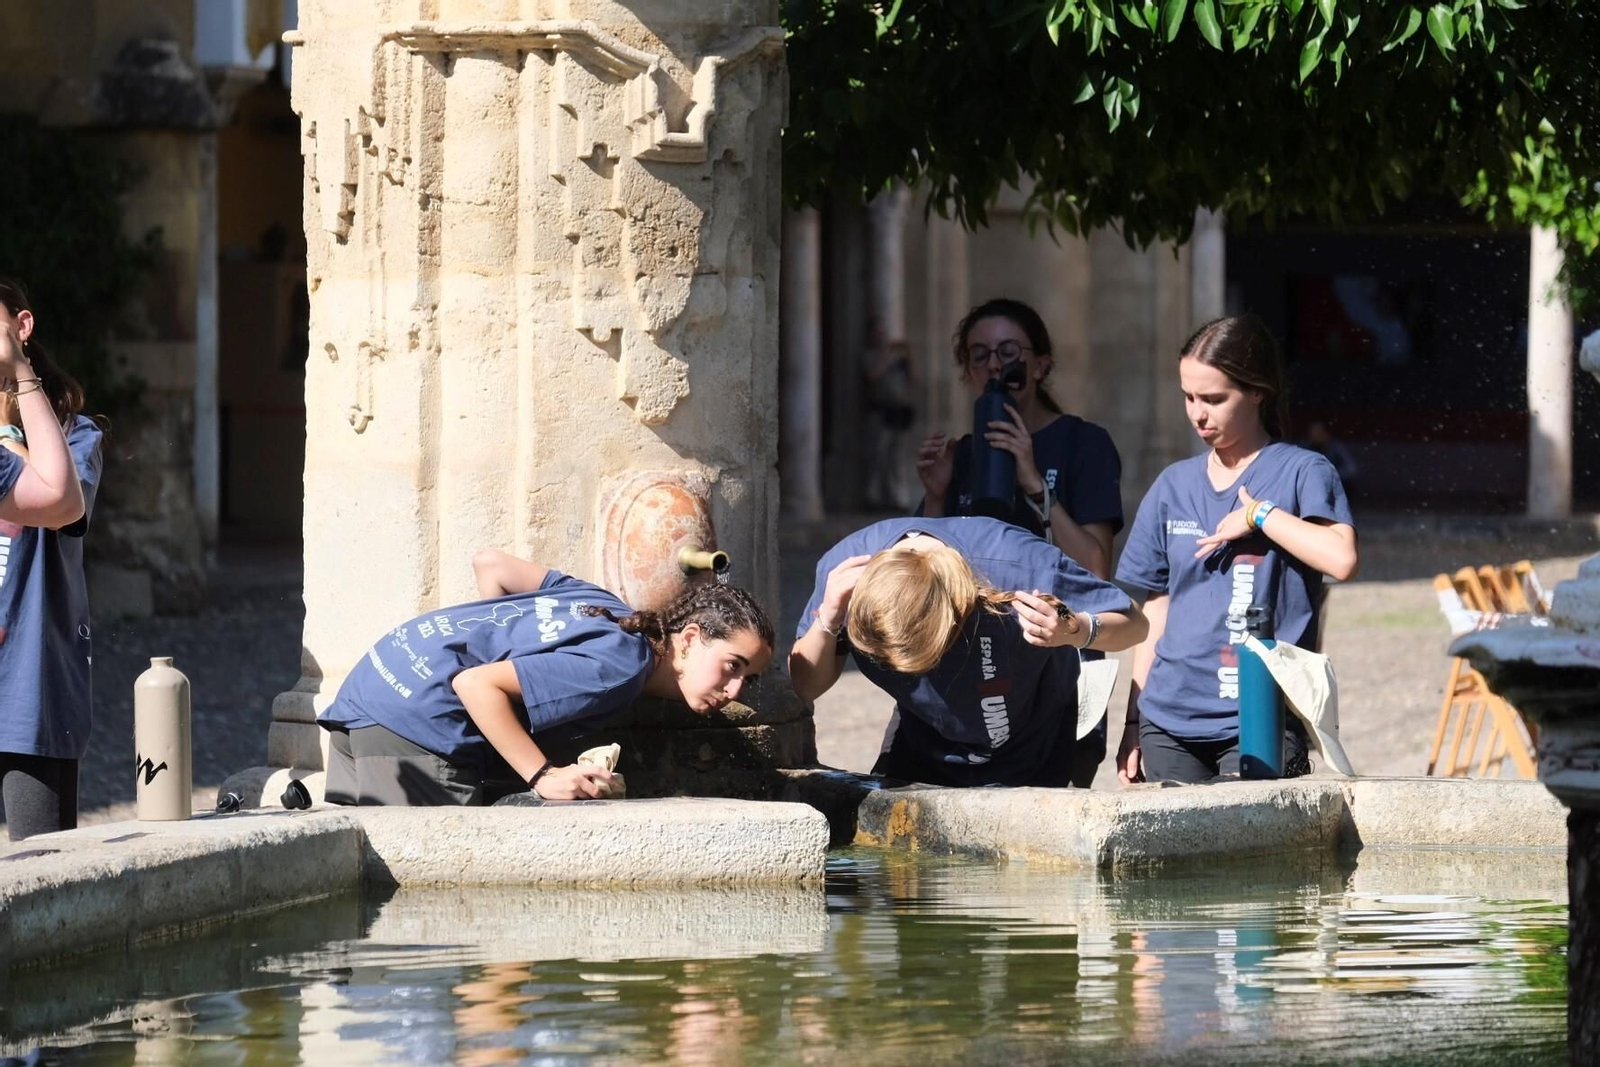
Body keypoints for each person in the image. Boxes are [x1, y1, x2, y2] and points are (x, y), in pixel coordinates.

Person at [317, 549, 774, 806]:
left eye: (747, 679)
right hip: (416, 727)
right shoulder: (622, 666)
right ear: (690, 638)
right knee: (428, 932)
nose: (734, 691)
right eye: (732, 666)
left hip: (370, 686)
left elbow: (490, 563)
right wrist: (543, 776)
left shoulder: (601, 604)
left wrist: (496, 633)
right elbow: (474, 685)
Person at [1115, 315, 1358, 786]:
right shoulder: (1172, 485)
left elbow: (1342, 559)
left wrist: (1260, 517)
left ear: (1258, 392)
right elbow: (1156, 611)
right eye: (1188, 396)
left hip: (1260, 717)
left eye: (1214, 399)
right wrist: (1132, 721)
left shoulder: (1303, 470)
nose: (1197, 414)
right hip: (1168, 723)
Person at [790, 516, 1146, 787]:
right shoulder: (843, 579)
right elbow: (805, 687)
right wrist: (829, 620)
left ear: (953, 615)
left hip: (1034, 740)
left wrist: (1074, 628)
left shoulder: (1017, 564)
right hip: (924, 740)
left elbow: (1135, 624)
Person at [0, 276, 103, 840]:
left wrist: (13, 396)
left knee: (44, 873)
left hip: (31, 690)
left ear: (22, 325)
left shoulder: (76, 436)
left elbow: (63, 501)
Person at [916, 298, 1122, 579]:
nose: (994, 365)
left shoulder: (1083, 443)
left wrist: (1037, 487)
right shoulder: (961, 454)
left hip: (1049, 616)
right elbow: (920, 574)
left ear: (1040, 366)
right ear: (968, 372)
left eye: (1008, 352)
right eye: (979, 356)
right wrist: (935, 497)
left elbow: (1096, 571)